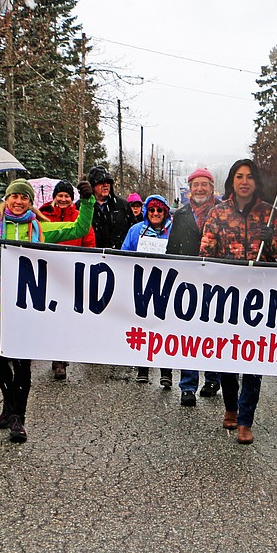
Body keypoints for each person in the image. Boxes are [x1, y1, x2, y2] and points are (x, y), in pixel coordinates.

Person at [0, 178, 94, 443]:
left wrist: (86, 201)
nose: (18, 202)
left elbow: (80, 227)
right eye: (14, 197)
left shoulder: (41, 229)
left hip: (26, 306)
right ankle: (8, 402)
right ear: (7, 199)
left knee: (22, 362)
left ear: (31, 202)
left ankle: (18, 418)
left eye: (24, 198)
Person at [200, 159, 277, 444]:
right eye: (239, 176)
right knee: (228, 353)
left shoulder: (268, 214)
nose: (244, 181)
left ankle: (245, 419)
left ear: (256, 182)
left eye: (249, 177)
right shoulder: (218, 213)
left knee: (254, 357)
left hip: (260, 297)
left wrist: (271, 237)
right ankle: (230, 405)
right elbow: (205, 254)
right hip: (227, 295)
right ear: (232, 181)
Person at [167, 167, 221, 406]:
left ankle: (212, 378)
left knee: (212, 331)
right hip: (187, 282)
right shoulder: (180, 215)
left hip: (216, 281)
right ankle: (187, 386)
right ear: (189, 189)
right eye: (195, 185)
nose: (200, 188)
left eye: (204, 184)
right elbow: (172, 249)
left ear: (211, 187)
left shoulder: (222, 213)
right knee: (189, 333)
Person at [39, 180, 97, 381]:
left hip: (72, 275)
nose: (63, 199)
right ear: (54, 197)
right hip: (47, 274)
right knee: (50, 318)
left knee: (65, 318)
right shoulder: (42, 215)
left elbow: (88, 241)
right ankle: (53, 354)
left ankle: (60, 359)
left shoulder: (79, 217)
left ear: (72, 199)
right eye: (60, 195)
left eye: (67, 196)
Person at [122, 194, 174, 389]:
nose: (155, 213)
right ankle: (143, 367)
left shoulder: (173, 231)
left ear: (165, 212)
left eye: (159, 210)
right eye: (151, 210)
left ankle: (166, 370)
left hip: (167, 285)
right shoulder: (136, 230)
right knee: (142, 327)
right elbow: (124, 253)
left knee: (164, 327)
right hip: (141, 284)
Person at [87, 165, 134, 249]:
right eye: (101, 182)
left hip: (119, 256)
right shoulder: (83, 206)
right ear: (93, 186)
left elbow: (133, 231)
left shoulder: (123, 206)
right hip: (92, 256)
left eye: (108, 182)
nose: (105, 185)